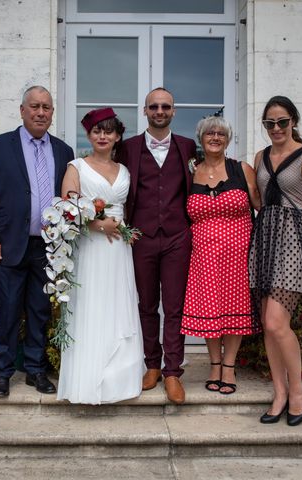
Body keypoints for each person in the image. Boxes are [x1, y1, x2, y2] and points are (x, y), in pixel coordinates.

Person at [0, 85, 74, 398]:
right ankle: (3, 373)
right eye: (34, 106)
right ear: (22, 110)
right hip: (9, 244)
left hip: (48, 247)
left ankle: (35, 370)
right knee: (7, 311)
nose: (41, 112)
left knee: (39, 311)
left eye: (46, 107)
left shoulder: (63, 151)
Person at [249, 95, 302, 426]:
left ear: (293, 121)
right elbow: (258, 201)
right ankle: (279, 392)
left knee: (276, 322)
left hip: (295, 241)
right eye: (270, 123)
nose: (276, 128)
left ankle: (297, 390)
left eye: (282, 121)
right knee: (268, 324)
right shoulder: (259, 157)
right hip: (265, 239)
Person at [56, 107, 145, 404]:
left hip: (119, 249)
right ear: (89, 135)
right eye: (97, 130)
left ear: (118, 135)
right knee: (92, 305)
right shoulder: (76, 167)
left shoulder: (126, 171)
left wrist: (119, 227)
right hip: (91, 247)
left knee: (119, 303)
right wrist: (97, 223)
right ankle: (90, 377)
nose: (103, 135)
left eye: (108, 130)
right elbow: (67, 210)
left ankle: (121, 377)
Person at [117, 87, 197, 405]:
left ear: (173, 111)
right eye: (154, 107)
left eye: (165, 106)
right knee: (147, 305)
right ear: (145, 111)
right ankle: (152, 364)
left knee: (175, 307)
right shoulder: (128, 148)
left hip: (178, 237)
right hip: (142, 237)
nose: (159, 111)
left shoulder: (188, 147)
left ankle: (173, 370)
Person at [180, 115, 261, 395]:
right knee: (209, 311)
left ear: (228, 139)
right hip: (203, 255)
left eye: (221, 134)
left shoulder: (242, 170)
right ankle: (214, 364)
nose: (215, 137)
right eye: (209, 133)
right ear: (201, 139)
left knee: (234, 311)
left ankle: (229, 366)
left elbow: (262, 206)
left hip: (237, 255)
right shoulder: (191, 172)